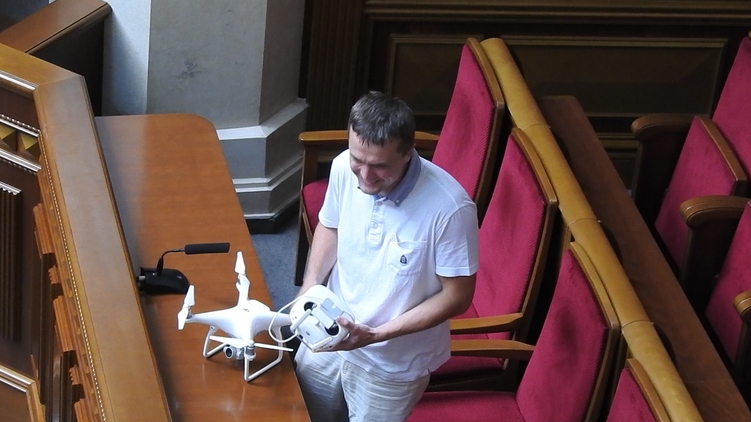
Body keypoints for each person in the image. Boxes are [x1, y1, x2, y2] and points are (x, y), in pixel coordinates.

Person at [294, 91, 479, 422]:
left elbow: (458, 296)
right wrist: (309, 287)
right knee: (303, 415)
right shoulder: (342, 167)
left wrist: (376, 336)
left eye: (380, 166)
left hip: (392, 363)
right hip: (327, 333)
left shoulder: (451, 209)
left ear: (408, 152)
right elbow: (331, 225)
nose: (365, 176)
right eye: (358, 160)